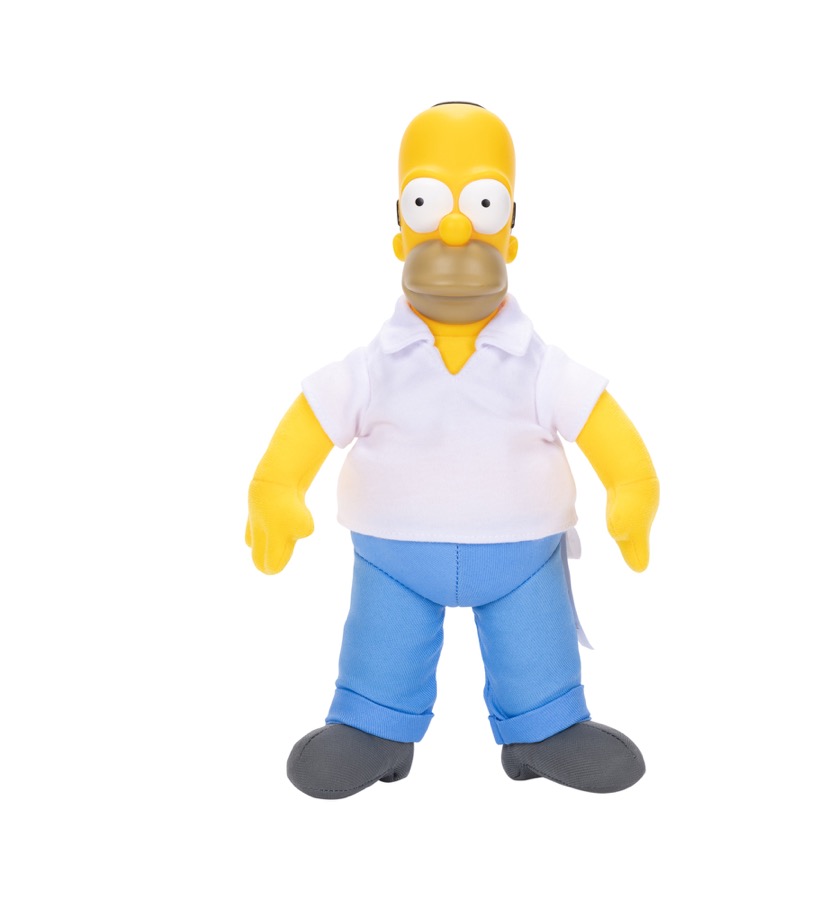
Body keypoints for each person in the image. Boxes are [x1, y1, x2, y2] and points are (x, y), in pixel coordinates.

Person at [246, 102, 659, 798]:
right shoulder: (373, 367)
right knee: (382, 641)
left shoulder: (539, 366)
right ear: (400, 228)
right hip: (394, 559)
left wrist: (632, 490)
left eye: (483, 204)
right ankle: (374, 725)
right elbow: (311, 421)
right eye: (428, 203)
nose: (457, 229)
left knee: (536, 643)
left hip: (523, 558)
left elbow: (603, 427)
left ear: (511, 232)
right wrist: (275, 491)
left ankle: (545, 726)